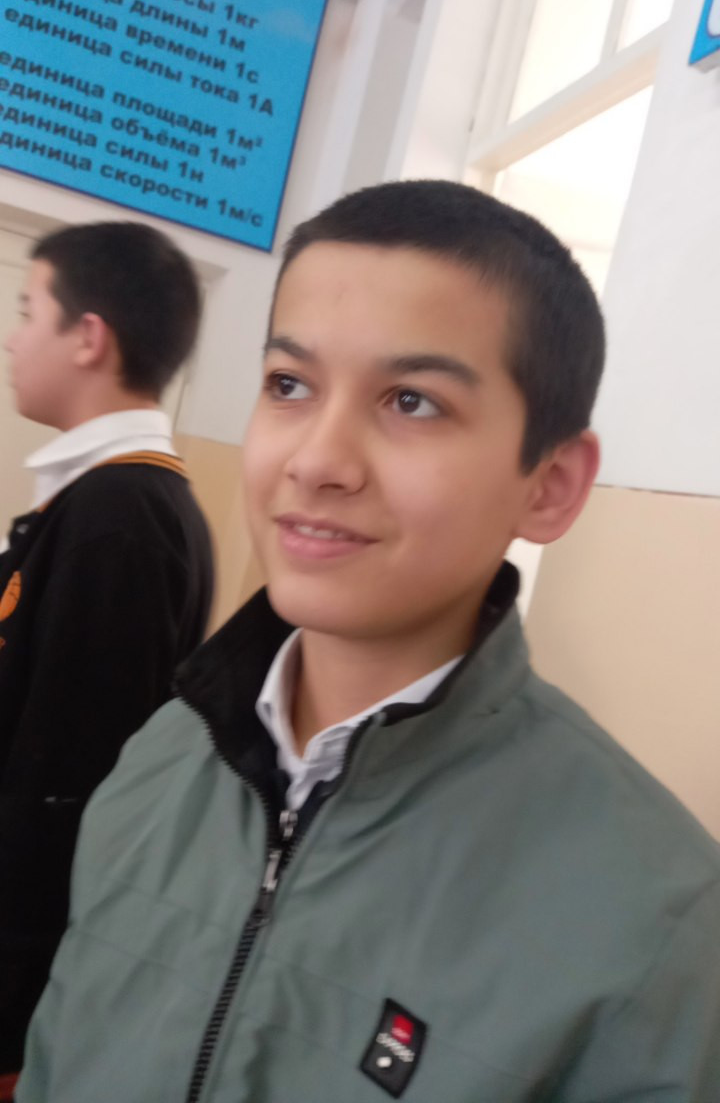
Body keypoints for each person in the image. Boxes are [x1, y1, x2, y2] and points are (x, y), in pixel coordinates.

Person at [18, 182, 720, 1102]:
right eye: (289, 385)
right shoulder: (159, 762)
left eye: (412, 401)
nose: (316, 459)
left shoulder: (657, 917)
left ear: (549, 484)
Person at [0, 222, 214, 1088]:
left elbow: (67, 790)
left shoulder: (121, 518)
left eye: (28, 310)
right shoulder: (99, 501)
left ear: (88, 336)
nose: (12, 337)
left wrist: (15, 1008)